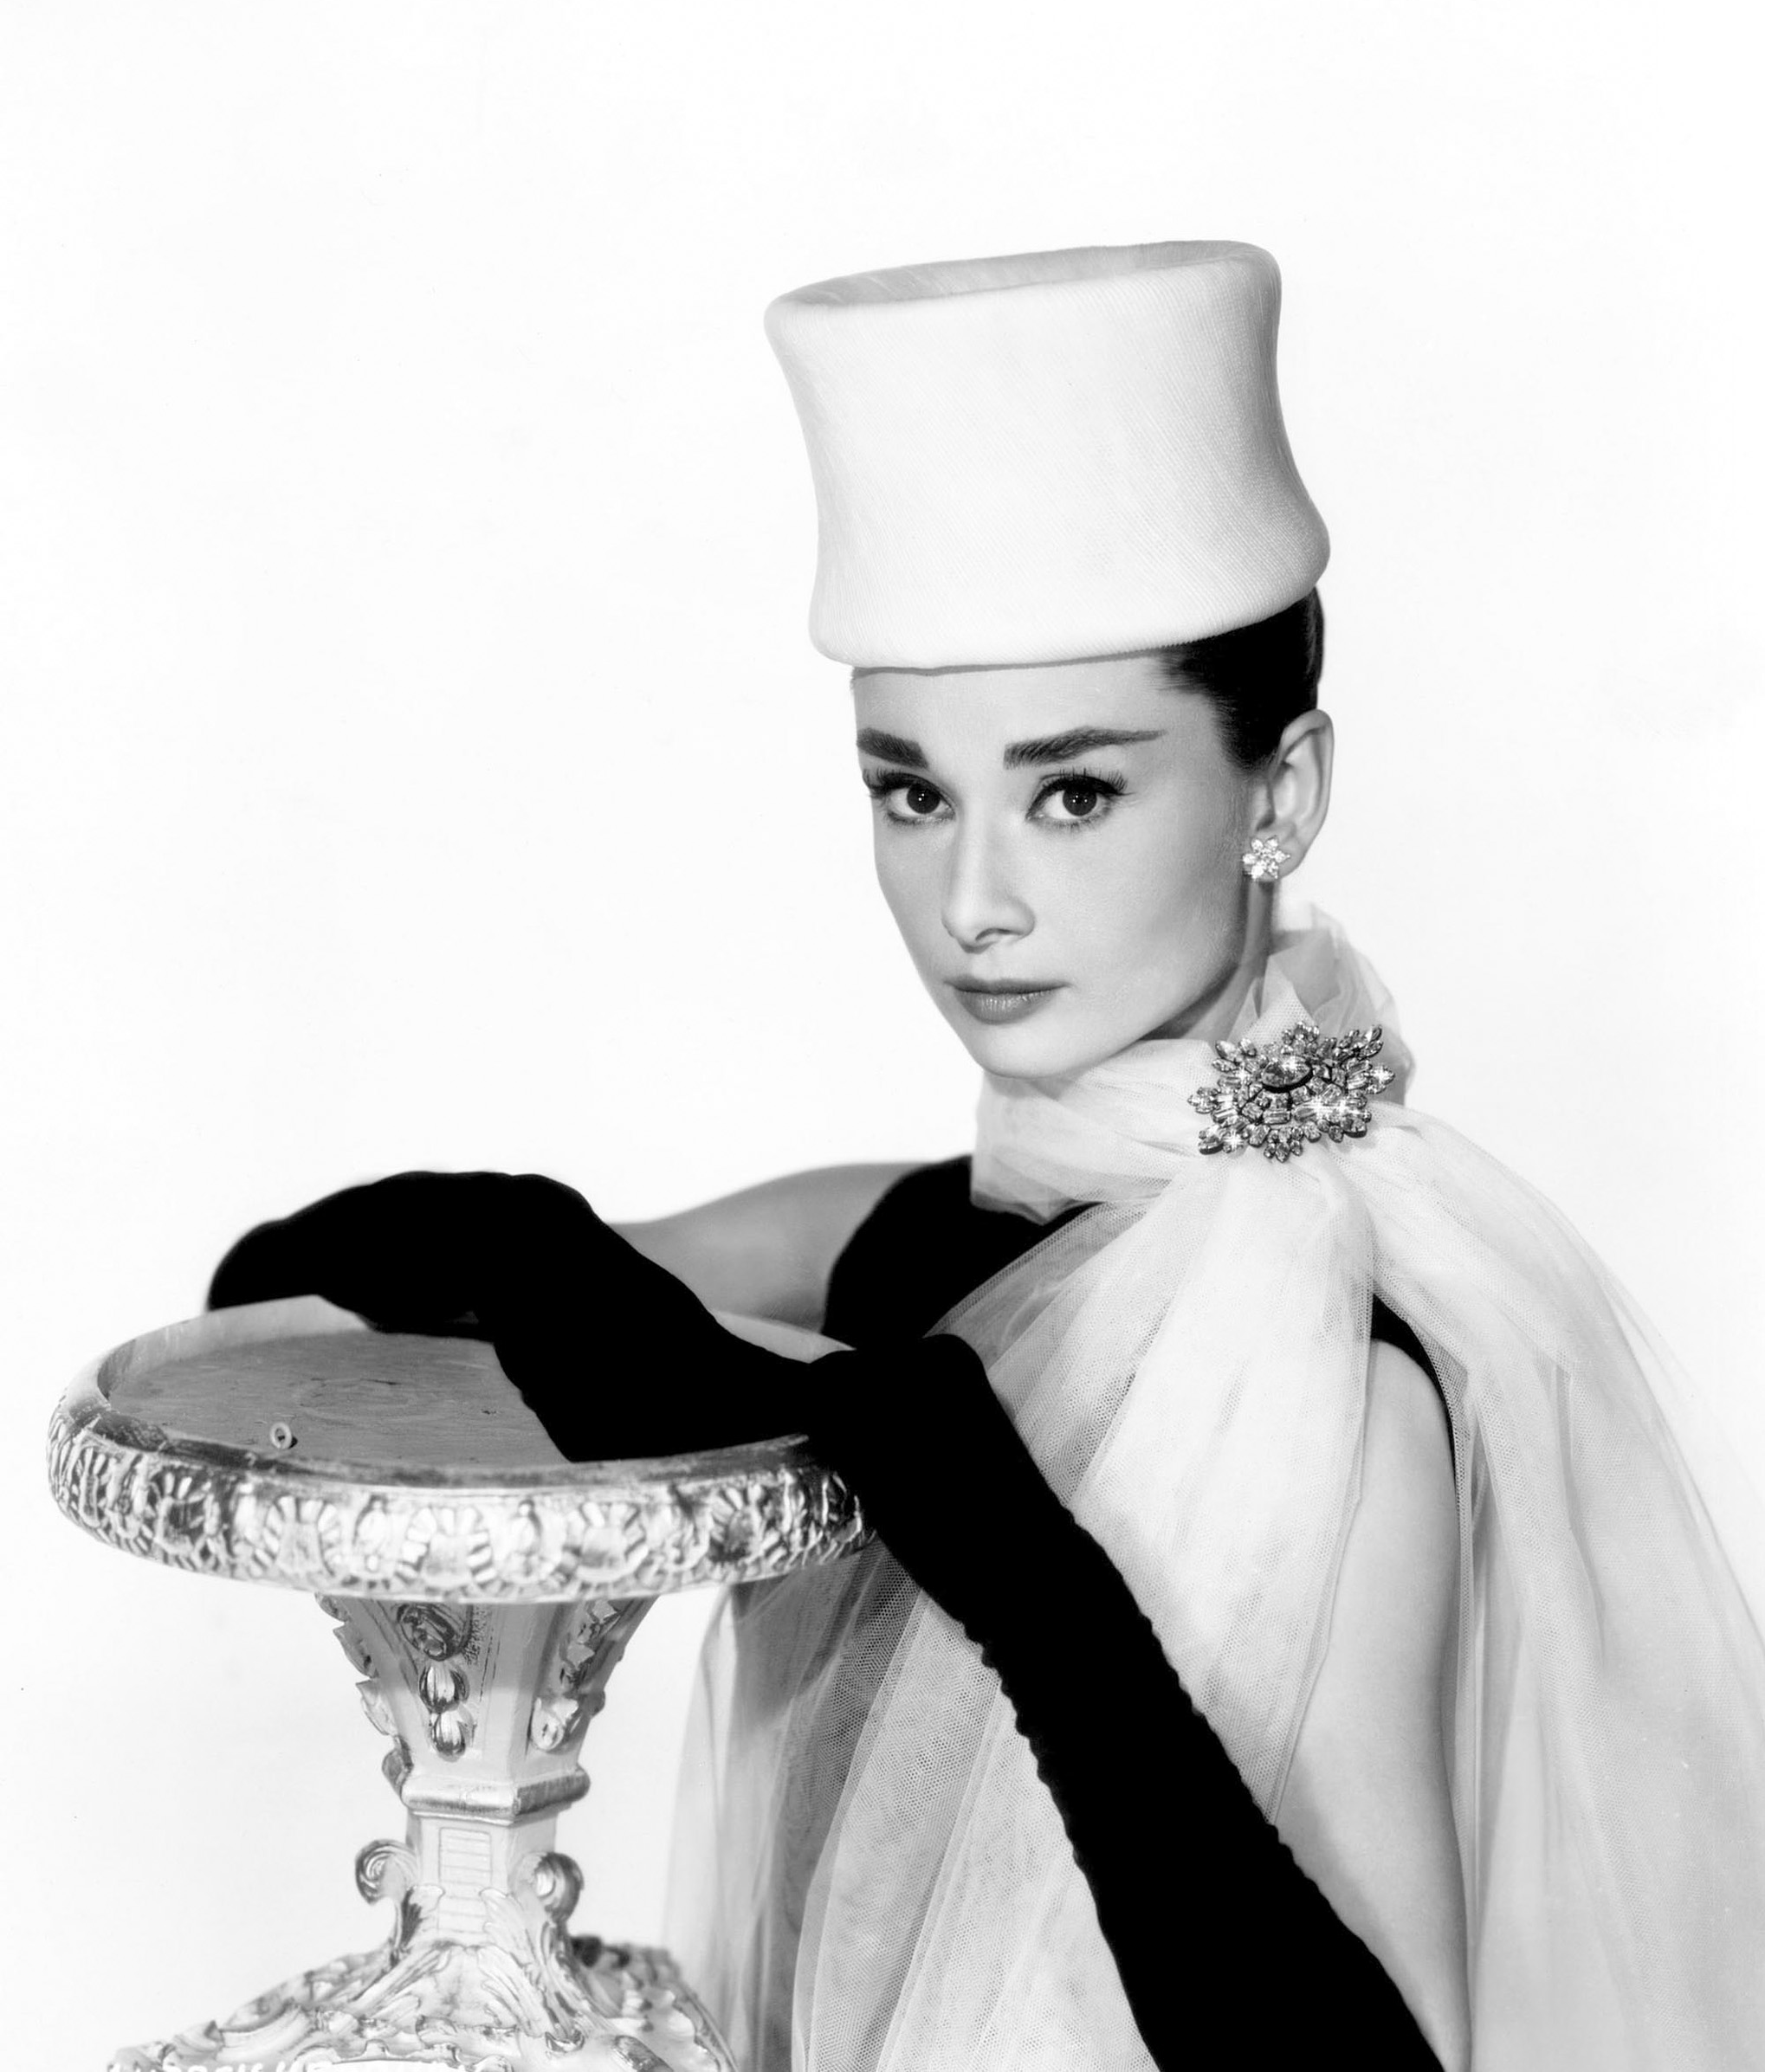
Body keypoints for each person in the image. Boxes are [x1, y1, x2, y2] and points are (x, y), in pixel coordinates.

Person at [209, 242, 1765, 2072]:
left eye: (1073, 791)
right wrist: (543, 1250)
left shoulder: (1340, 1376)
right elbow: (286, 1288)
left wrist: (1018, 1567)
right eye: (911, 792)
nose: (971, 901)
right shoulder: (919, 1234)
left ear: (1277, 795)